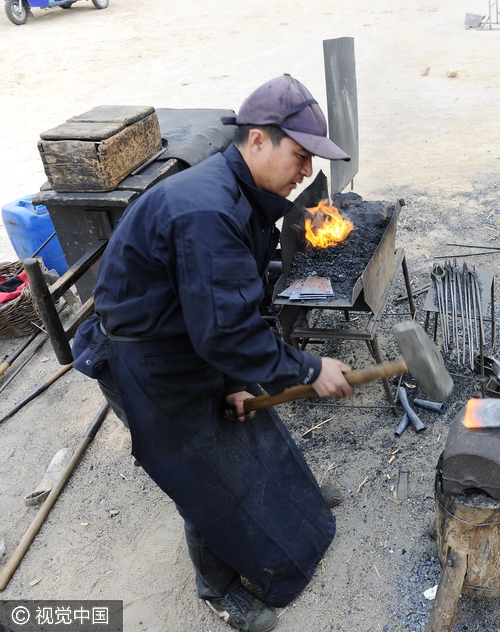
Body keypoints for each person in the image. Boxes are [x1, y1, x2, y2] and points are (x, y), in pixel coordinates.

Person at [72, 75, 355, 632]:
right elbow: (224, 333)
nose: (305, 174)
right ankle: (218, 590)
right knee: (201, 474)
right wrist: (309, 368)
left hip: (190, 335)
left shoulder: (249, 199)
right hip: (148, 360)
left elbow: (228, 312)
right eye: (299, 157)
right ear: (256, 140)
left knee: (252, 421)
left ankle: (295, 503)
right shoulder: (206, 211)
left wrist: (237, 381)